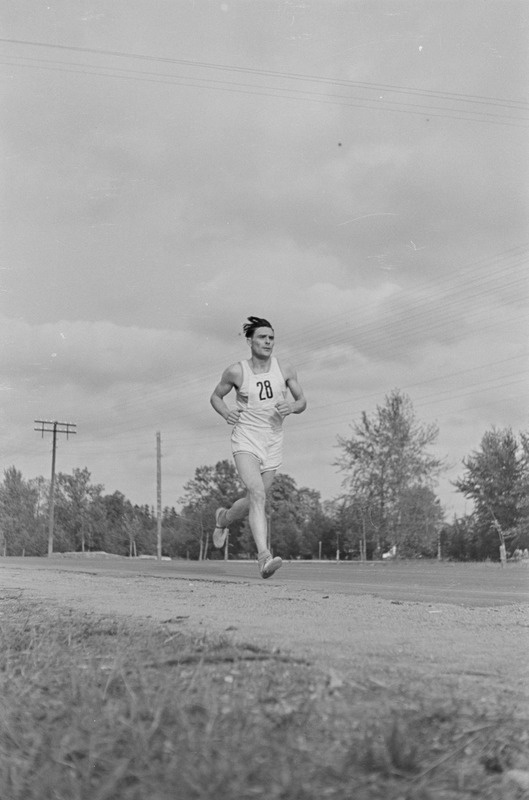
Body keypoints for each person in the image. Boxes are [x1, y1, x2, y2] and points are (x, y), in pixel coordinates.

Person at [210, 316, 307, 578]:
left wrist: (293, 407)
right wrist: (225, 412)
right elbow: (216, 396)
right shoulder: (237, 371)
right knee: (256, 493)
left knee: (256, 497)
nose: (268, 342)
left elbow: (302, 401)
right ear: (250, 341)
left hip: (273, 441)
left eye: (271, 338)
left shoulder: (285, 369)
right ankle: (264, 556)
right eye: (263, 337)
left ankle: (224, 519)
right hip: (246, 439)